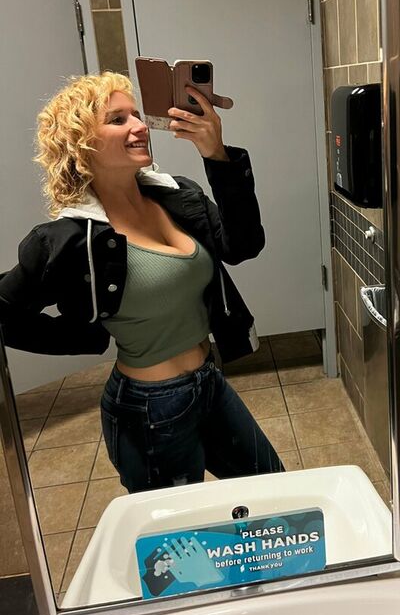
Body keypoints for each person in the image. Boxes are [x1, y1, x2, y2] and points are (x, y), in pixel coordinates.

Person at [0, 71, 284, 493]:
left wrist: (216, 155)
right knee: (178, 532)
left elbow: (244, 245)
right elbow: (5, 314)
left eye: (136, 115)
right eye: (118, 119)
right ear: (80, 143)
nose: (139, 126)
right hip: (149, 408)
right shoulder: (68, 240)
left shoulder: (177, 196)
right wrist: (83, 334)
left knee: (274, 493)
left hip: (209, 382)